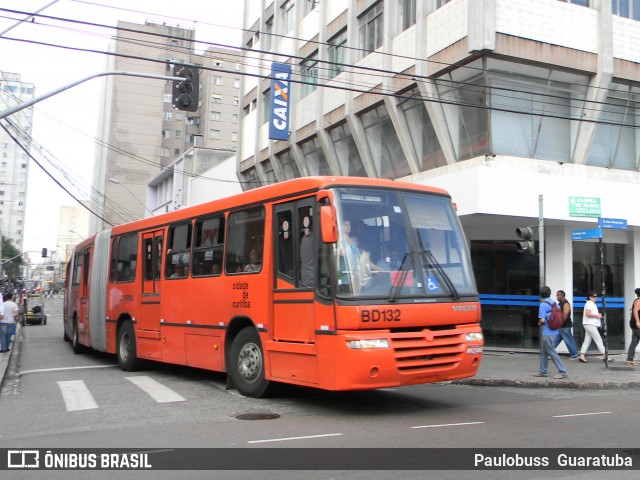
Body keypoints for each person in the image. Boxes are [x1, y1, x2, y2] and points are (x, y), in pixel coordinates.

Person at [532, 286, 568, 379]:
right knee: (544, 352)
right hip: (555, 331)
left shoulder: (543, 305)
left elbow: (542, 320)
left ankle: (563, 371)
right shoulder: (554, 303)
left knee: (552, 352)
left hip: (547, 333)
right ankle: (543, 371)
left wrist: (539, 322)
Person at [578, 290, 611, 363]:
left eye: (596, 296)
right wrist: (597, 315)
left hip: (588, 324)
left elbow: (588, 313)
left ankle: (582, 355)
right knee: (598, 339)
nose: (595, 298)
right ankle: (605, 355)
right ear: (590, 297)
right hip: (590, 324)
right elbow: (588, 313)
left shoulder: (590, 303)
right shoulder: (590, 303)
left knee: (587, 340)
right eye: (594, 296)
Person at [552, 290, 579, 359]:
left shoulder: (565, 303)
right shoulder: (560, 303)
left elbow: (565, 314)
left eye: (558, 295)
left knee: (568, 340)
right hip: (561, 327)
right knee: (556, 340)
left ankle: (575, 354)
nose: (557, 297)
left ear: (562, 296)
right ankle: (549, 352)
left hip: (565, 326)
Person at [626, 287, 640, 366]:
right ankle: (629, 359)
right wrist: (638, 322)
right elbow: (635, 311)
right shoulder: (639, 301)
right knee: (634, 341)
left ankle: (629, 359)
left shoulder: (637, 300)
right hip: (637, 324)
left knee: (634, 341)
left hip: (634, 324)